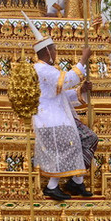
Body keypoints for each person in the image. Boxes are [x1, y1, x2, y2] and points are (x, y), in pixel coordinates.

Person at [25, 15, 98, 200]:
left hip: (60, 116)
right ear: (48, 51)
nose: (56, 53)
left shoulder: (48, 70)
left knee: (89, 138)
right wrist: (83, 60)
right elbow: (66, 81)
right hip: (50, 119)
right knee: (64, 147)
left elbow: (61, 95)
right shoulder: (40, 69)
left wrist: (81, 90)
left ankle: (77, 181)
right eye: (54, 49)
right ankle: (52, 186)